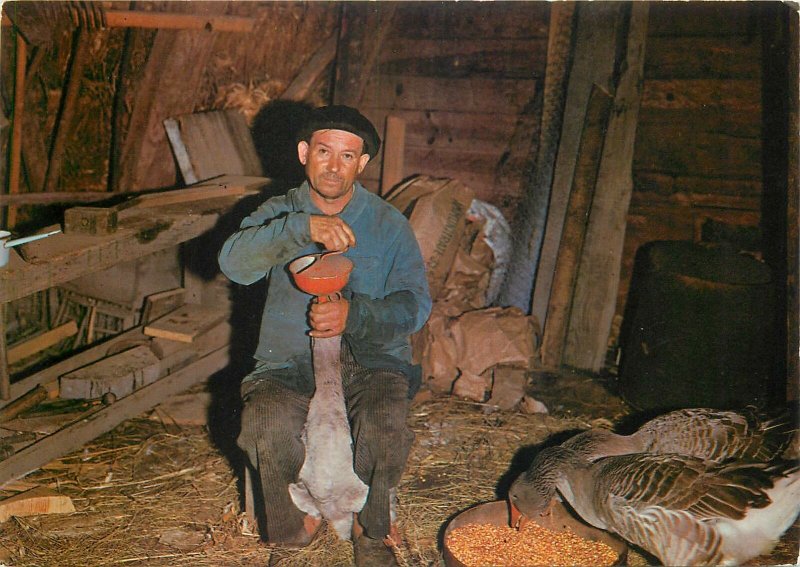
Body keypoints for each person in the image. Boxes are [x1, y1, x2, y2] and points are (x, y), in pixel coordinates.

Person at [218, 105, 432, 566]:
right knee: (265, 427)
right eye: (324, 151)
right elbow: (233, 263)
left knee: (384, 427)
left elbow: (417, 305)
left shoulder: (388, 224)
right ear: (303, 153)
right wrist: (301, 229)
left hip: (370, 360)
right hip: (289, 359)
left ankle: (371, 528)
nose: (335, 166)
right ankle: (291, 528)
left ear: (363, 164)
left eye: (348, 156)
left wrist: (355, 316)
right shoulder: (279, 212)